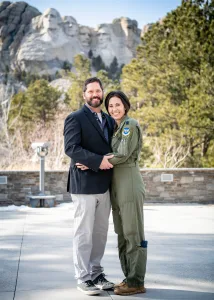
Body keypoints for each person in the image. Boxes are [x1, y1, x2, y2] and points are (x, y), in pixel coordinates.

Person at [77, 90, 147, 296]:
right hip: (116, 185)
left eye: (118, 104)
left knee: (133, 233)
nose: (114, 109)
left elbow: (123, 154)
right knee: (122, 234)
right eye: (111, 106)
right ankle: (129, 277)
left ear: (125, 105)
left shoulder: (129, 125)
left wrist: (95, 162)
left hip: (129, 183)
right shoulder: (116, 128)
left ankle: (136, 280)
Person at [64, 77, 115, 296]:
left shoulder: (109, 120)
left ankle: (96, 273)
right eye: (91, 91)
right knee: (83, 233)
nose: (95, 95)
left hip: (105, 185)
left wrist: (103, 160)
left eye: (98, 91)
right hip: (84, 185)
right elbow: (71, 148)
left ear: (102, 93)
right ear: (84, 94)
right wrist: (97, 161)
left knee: (100, 234)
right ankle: (83, 277)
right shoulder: (75, 118)